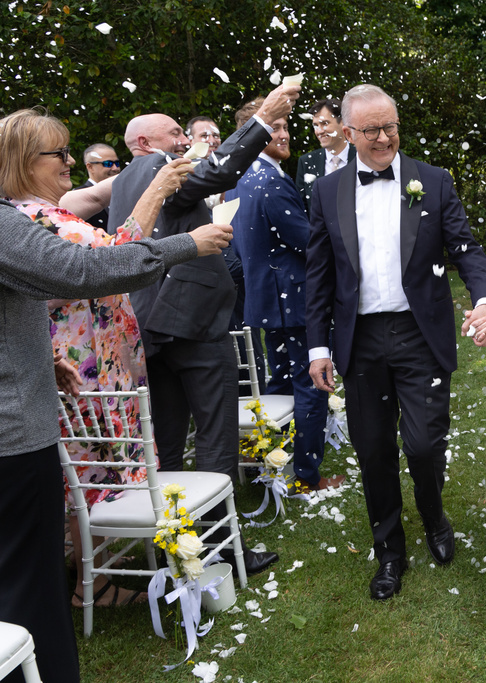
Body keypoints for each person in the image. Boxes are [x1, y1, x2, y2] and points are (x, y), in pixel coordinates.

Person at [0, 185, 232, 683]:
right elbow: (83, 270)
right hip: (12, 437)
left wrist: (41, 357)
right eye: (56, 152)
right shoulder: (11, 220)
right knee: (29, 585)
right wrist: (185, 244)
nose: (68, 164)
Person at [305, 84, 486, 601]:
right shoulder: (326, 193)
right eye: (372, 130)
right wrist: (318, 348)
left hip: (420, 334)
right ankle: (389, 550)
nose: (386, 137)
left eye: (391, 126)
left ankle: (433, 514)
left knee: (423, 443)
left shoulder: (431, 182)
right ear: (347, 134)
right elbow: (318, 276)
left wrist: (485, 302)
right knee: (372, 450)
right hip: (359, 338)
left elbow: (467, 249)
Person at [1, 108, 195, 608]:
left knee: (98, 465)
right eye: (59, 154)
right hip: (82, 366)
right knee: (87, 469)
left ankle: (92, 566)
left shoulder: (49, 210)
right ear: (23, 161)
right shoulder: (31, 220)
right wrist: (164, 204)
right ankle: (87, 582)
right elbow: (110, 261)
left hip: (92, 358)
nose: (70, 161)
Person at [108, 82, 300, 576]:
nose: (183, 139)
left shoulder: (123, 183)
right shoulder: (156, 171)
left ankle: (176, 548)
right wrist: (265, 119)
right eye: (173, 133)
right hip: (191, 322)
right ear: (144, 145)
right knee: (217, 435)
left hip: (152, 325)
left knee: (169, 442)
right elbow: (218, 171)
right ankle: (222, 550)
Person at [227, 98, 336, 492]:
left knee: (279, 384)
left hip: (266, 299)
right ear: (253, 135)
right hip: (292, 300)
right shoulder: (270, 180)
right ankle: (306, 477)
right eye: (274, 127)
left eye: (286, 125)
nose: (284, 133)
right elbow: (307, 240)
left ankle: (268, 463)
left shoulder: (238, 179)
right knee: (310, 385)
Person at [295, 98, 355, 211]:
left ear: (343, 122)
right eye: (316, 125)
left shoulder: (361, 157)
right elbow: (302, 208)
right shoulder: (307, 162)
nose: (319, 131)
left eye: (325, 123)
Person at [73, 142, 120, 233]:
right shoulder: (79, 195)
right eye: (108, 163)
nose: (115, 168)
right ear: (90, 167)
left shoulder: (122, 193)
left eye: (117, 163)